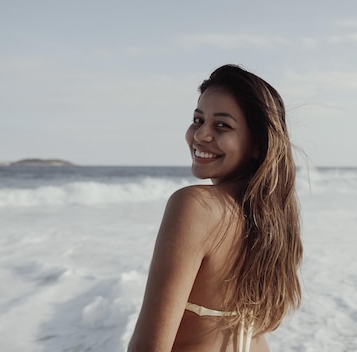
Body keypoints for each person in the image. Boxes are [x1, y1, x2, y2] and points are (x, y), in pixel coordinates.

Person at [128, 64, 303, 352]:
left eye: (222, 125)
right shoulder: (274, 222)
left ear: (258, 144)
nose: (201, 135)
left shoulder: (194, 206)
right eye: (198, 120)